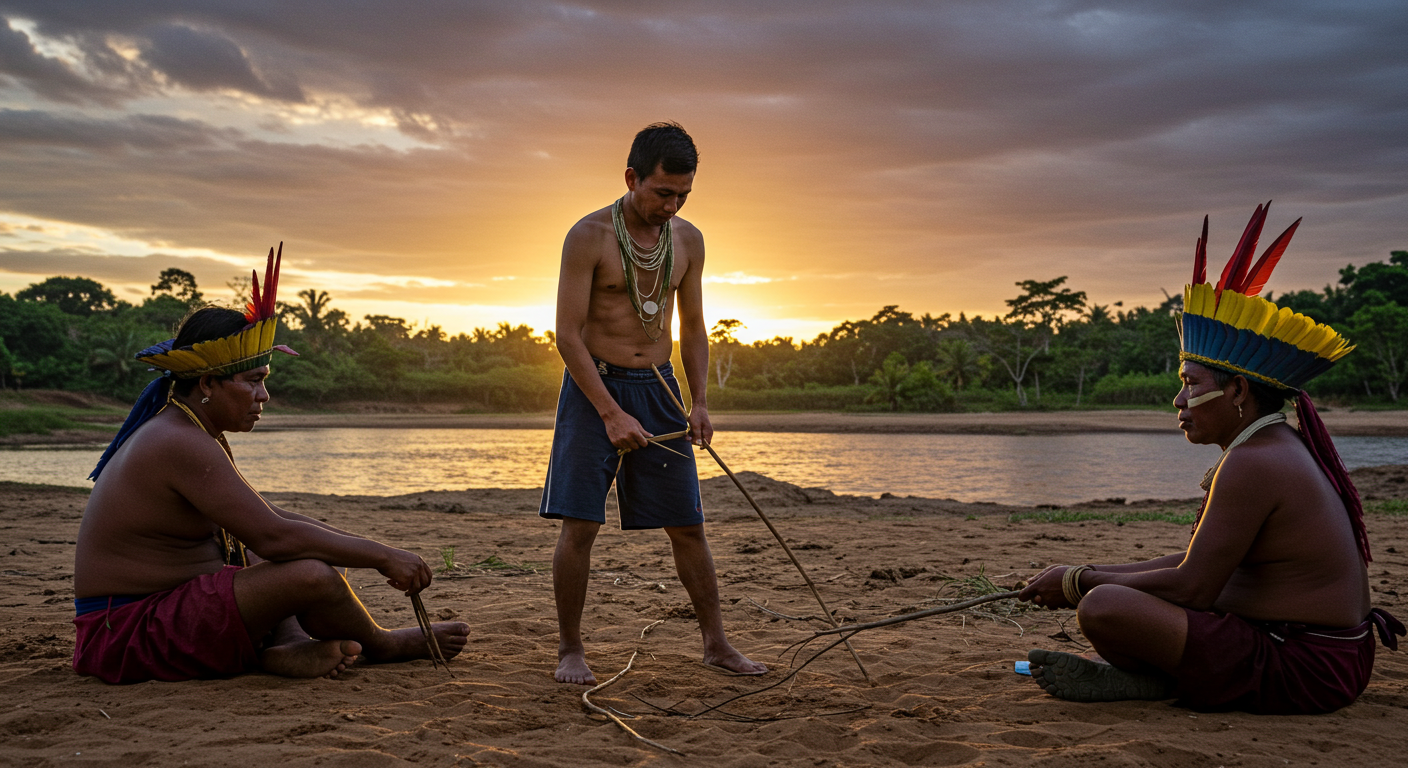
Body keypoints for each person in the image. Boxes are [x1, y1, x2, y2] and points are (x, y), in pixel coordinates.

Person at [1019, 204, 1403, 714]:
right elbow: (1188, 566)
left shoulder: (1257, 461)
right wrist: (1079, 570)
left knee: (1106, 607)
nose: (1179, 401)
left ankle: (1166, 680)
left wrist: (1078, 582)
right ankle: (1166, 678)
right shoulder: (1268, 447)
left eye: (1189, 385)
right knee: (1110, 599)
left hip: (1309, 666)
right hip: (1318, 653)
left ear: (1238, 390)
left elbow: (1193, 586)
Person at [73, 246, 470, 684]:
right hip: (130, 632)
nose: (264, 397)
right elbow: (274, 535)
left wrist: (366, 548)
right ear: (207, 383)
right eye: (254, 382)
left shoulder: (189, 429)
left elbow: (271, 523)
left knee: (313, 546)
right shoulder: (177, 440)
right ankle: (383, 644)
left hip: (166, 607)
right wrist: (383, 557)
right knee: (312, 573)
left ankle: (287, 644)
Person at [541, 122, 766, 684]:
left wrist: (701, 402)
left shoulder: (688, 240)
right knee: (581, 526)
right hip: (595, 389)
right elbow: (566, 334)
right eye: (662, 192)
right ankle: (571, 648)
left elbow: (693, 327)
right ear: (631, 178)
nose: (671, 205)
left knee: (688, 525)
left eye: (682, 195)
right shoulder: (588, 235)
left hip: (661, 388)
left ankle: (716, 644)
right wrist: (611, 412)